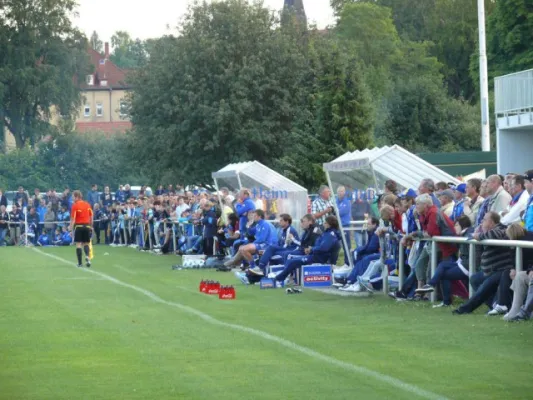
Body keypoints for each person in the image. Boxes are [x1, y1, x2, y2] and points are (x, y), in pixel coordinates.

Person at [270, 215, 341, 284]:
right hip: (314, 255)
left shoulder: (329, 234)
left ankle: (280, 278)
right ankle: (283, 277)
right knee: (291, 260)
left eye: (325, 223)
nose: (323, 224)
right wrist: (311, 249)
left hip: (320, 258)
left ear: (330, 224)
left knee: (292, 260)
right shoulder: (326, 233)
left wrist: (311, 249)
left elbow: (323, 248)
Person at [70, 190, 94, 268]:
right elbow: (91, 216)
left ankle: (80, 263)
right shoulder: (87, 204)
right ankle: (87, 256)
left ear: (77, 197)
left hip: (78, 226)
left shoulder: (75, 205)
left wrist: (71, 229)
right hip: (87, 226)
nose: (72, 198)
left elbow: (73, 219)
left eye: (73, 196)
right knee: (86, 243)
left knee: (78, 244)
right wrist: (91, 226)